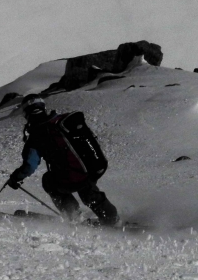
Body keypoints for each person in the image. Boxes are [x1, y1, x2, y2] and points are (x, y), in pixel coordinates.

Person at [6, 96, 119, 226]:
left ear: (26, 113)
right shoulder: (62, 122)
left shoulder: (36, 135)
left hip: (70, 176)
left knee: (49, 181)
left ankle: (73, 216)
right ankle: (112, 218)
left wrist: (15, 178)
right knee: (87, 190)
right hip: (91, 169)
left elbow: (30, 166)